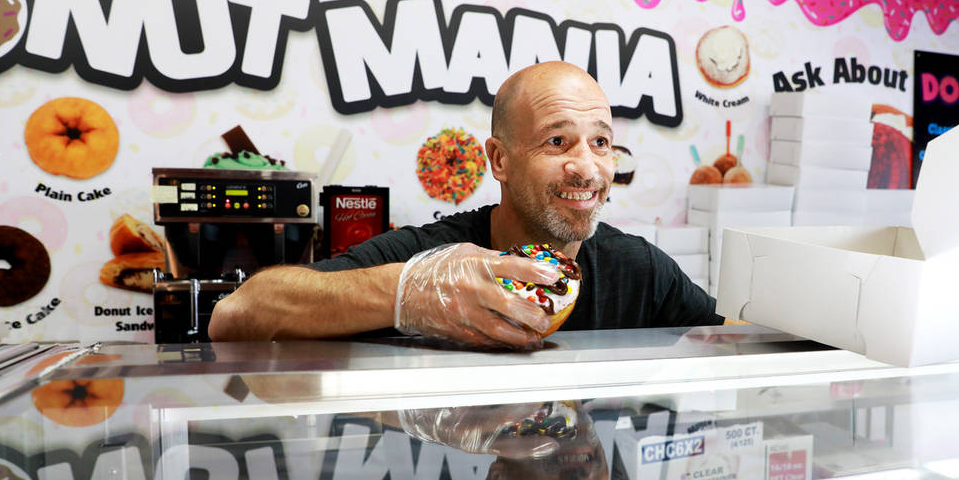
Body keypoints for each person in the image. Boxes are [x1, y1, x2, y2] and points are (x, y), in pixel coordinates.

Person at [208, 61, 723, 348]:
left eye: (602, 143)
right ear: (498, 160)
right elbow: (236, 315)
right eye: (558, 142)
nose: (588, 169)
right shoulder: (436, 255)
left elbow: (733, 353)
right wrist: (408, 292)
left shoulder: (638, 270)